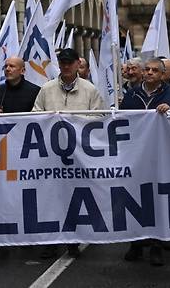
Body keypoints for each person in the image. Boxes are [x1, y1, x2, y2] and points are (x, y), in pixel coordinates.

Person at [33, 48, 105, 259]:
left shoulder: (90, 90)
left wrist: (75, 123)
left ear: (76, 64)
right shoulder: (46, 89)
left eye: (69, 62)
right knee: (52, 198)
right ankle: (52, 241)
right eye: (62, 62)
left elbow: (99, 118)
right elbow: (36, 115)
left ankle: (73, 239)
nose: (65, 66)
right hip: (52, 154)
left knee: (75, 198)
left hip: (78, 155)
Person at [120, 57, 170, 266]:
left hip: (164, 156)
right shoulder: (132, 95)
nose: (150, 73)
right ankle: (136, 243)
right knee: (136, 199)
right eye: (147, 70)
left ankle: (157, 246)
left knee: (159, 201)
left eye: (154, 70)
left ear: (162, 75)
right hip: (137, 157)